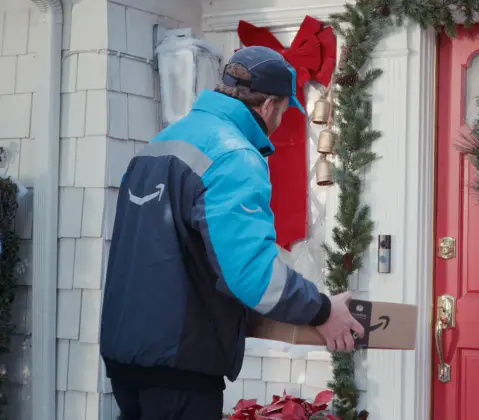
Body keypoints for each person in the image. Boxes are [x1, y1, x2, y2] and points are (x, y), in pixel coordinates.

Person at [99, 46, 365, 420]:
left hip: (127, 355)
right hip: (180, 367)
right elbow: (251, 274)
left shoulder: (159, 145)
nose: (280, 122)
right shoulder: (233, 155)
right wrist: (322, 310)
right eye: (286, 111)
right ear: (270, 105)